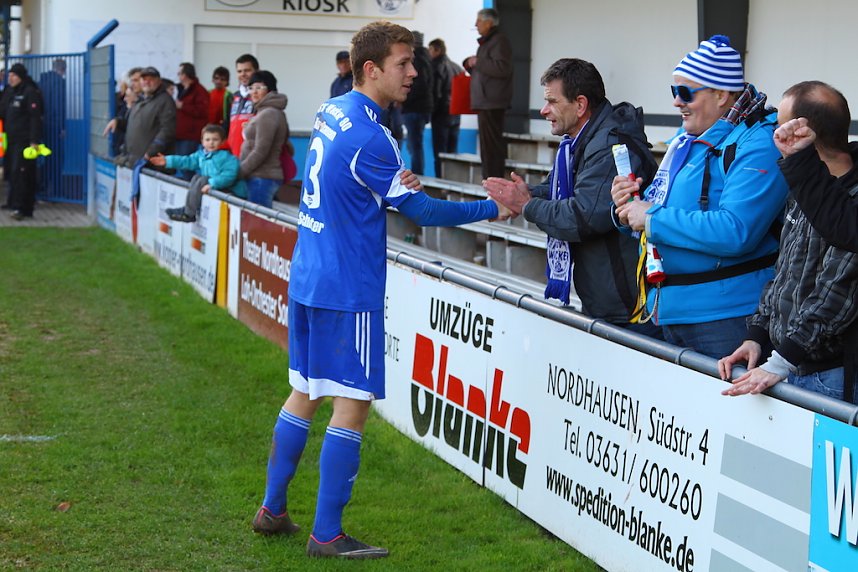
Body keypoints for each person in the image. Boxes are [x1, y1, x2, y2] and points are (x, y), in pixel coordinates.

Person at [251, 21, 510, 560]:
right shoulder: (372, 134)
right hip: (348, 286)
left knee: (305, 388)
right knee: (354, 401)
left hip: (309, 274)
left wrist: (392, 177)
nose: (414, 72)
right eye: (403, 63)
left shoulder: (336, 109)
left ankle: (273, 508)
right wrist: (495, 208)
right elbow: (423, 210)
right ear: (372, 69)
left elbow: (363, 180)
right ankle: (326, 534)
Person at [610, 35, 789, 359]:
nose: (676, 102)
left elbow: (736, 232)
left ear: (721, 95)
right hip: (669, 309)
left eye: (685, 92)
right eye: (673, 91)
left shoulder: (759, 142)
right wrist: (627, 208)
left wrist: (650, 217)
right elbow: (656, 207)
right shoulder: (686, 138)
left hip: (725, 318)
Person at [484, 58, 658, 330]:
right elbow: (556, 191)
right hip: (606, 297)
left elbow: (580, 216)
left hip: (627, 307)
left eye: (552, 102)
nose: (543, 110)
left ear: (580, 105)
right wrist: (518, 195)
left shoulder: (611, 146)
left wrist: (527, 205)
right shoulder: (579, 143)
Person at [719, 81, 858, 403]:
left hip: (827, 375)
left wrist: (783, 359)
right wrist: (757, 336)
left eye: (781, 126)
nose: (775, 135)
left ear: (804, 134)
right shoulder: (805, 184)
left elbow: (838, 293)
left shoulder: (847, 195)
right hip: (787, 363)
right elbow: (786, 272)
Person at [150, 124, 247, 222]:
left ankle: (188, 213)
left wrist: (212, 184)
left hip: (231, 191)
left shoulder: (227, 157)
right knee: (197, 177)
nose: (211, 143)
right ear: (202, 142)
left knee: (203, 179)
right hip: (216, 187)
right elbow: (187, 161)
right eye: (208, 140)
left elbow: (229, 176)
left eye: (215, 139)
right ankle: (188, 210)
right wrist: (168, 161)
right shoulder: (201, 155)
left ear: (222, 141)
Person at [463, 8, 512, 179]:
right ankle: (490, 181)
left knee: (491, 146)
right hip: (486, 101)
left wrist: (479, 61)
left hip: (493, 102)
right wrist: (471, 63)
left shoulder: (499, 41)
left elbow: (502, 68)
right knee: (487, 146)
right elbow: (486, 68)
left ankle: (494, 182)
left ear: (489, 22)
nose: (476, 24)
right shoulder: (487, 43)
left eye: (479, 21)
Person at [0, 63, 44, 219]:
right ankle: (15, 203)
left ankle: (23, 208)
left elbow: (35, 118)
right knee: (13, 173)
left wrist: (34, 141)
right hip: (11, 140)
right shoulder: (10, 92)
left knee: (22, 173)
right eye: (9, 75)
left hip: (25, 141)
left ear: (21, 77)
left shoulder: (30, 92)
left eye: (13, 76)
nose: (10, 78)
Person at [239, 70, 287, 207]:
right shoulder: (266, 111)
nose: (254, 92)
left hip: (262, 177)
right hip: (260, 177)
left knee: (258, 226)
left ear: (270, 90)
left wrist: (239, 171)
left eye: (259, 88)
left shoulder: (268, 113)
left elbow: (261, 151)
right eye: (251, 88)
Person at [118, 66, 176, 166]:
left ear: (159, 81)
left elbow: (167, 130)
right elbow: (132, 126)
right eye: (144, 79)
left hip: (151, 164)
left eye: (151, 79)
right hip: (135, 161)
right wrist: (117, 122)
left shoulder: (165, 101)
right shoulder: (140, 101)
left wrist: (150, 152)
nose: (147, 82)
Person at [428, 37, 462, 175]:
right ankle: (451, 182)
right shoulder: (456, 67)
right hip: (456, 114)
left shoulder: (436, 67)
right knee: (452, 153)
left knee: (440, 154)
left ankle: (441, 183)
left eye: (430, 50)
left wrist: (432, 112)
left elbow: (436, 92)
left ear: (437, 50)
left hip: (441, 114)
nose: (429, 53)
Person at [401, 30, 433, 175]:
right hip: (420, 108)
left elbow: (420, 86)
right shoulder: (427, 58)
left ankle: (417, 175)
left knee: (415, 145)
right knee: (414, 144)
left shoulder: (418, 60)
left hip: (414, 108)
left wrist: (404, 98)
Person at [38, 58, 66, 197]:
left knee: (45, 156)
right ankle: (54, 191)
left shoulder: (42, 81)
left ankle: (42, 186)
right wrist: (62, 127)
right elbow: (59, 105)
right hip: (55, 125)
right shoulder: (59, 82)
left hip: (42, 124)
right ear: (63, 70)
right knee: (56, 158)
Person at [174, 63, 210, 158]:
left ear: (185, 75)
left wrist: (183, 106)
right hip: (179, 135)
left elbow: (203, 111)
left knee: (186, 167)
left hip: (190, 137)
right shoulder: (180, 90)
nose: (178, 76)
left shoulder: (199, 91)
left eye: (179, 73)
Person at [227, 54, 259, 156]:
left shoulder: (261, 96)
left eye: (247, 70)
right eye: (239, 71)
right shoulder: (234, 97)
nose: (243, 74)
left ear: (256, 71)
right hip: (233, 156)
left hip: (252, 157)